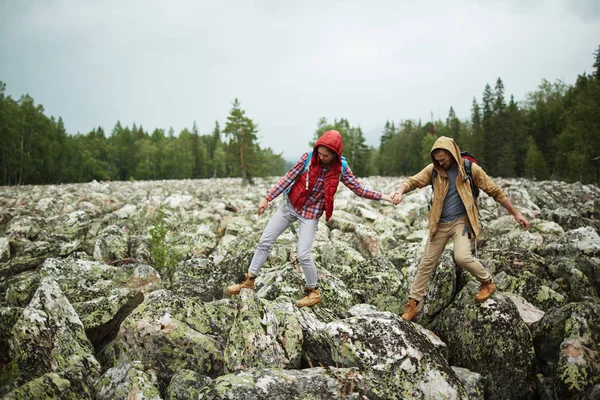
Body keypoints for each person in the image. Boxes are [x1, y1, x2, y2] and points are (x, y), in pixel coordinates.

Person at [226, 130, 394, 307]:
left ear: (335, 155)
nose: (321, 157)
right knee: (264, 241)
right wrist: (267, 198)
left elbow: (359, 190)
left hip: (311, 214)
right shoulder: (308, 158)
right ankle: (249, 281)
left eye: (326, 155)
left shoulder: (341, 168)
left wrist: (385, 197)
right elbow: (288, 178)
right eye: (319, 153)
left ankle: (313, 292)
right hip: (289, 207)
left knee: (303, 254)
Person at [391, 136, 530, 321]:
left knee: (462, 256)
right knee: (426, 264)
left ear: (452, 153)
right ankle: (413, 305)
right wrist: (400, 191)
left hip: (461, 222)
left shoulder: (470, 169)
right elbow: (413, 181)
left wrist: (516, 213)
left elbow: (495, 191)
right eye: (437, 160)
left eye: (443, 159)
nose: (440, 163)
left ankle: (487, 282)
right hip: (439, 224)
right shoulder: (434, 170)